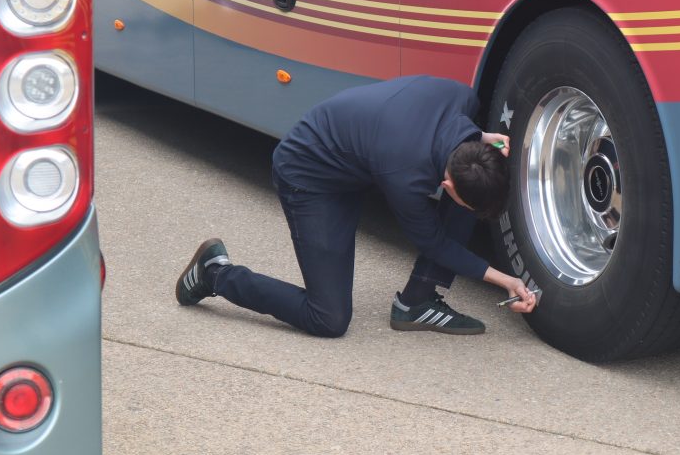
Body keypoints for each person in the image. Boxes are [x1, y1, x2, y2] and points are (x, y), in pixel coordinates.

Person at [174, 75, 537, 337]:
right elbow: (433, 243)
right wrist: (503, 279)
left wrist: (482, 138)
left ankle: (417, 302)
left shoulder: (462, 99)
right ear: (445, 184)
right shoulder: (405, 175)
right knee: (328, 318)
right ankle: (215, 273)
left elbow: (458, 131)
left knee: (465, 203)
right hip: (308, 177)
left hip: (357, 158)